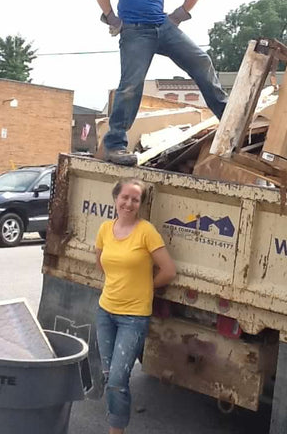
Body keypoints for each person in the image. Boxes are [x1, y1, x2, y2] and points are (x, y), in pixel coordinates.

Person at [93, 0, 228, 166]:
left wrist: (177, 16)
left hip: (163, 27)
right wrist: (111, 17)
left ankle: (229, 119)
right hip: (134, 30)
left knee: (201, 60)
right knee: (131, 85)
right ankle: (115, 146)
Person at [95, 177, 176, 434]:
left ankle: (115, 432)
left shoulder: (146, 231)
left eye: (135, 199)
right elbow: (100, 261)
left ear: (140, 204)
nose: (129, 203)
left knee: (118, 379)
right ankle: (116, 424)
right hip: (105, 312)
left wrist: (145, 287)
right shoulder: (105, 229)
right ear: (116, 199)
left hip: (134, 317)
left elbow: (168, 271)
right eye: (125, 197)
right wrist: (116, 282)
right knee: (109, 375)